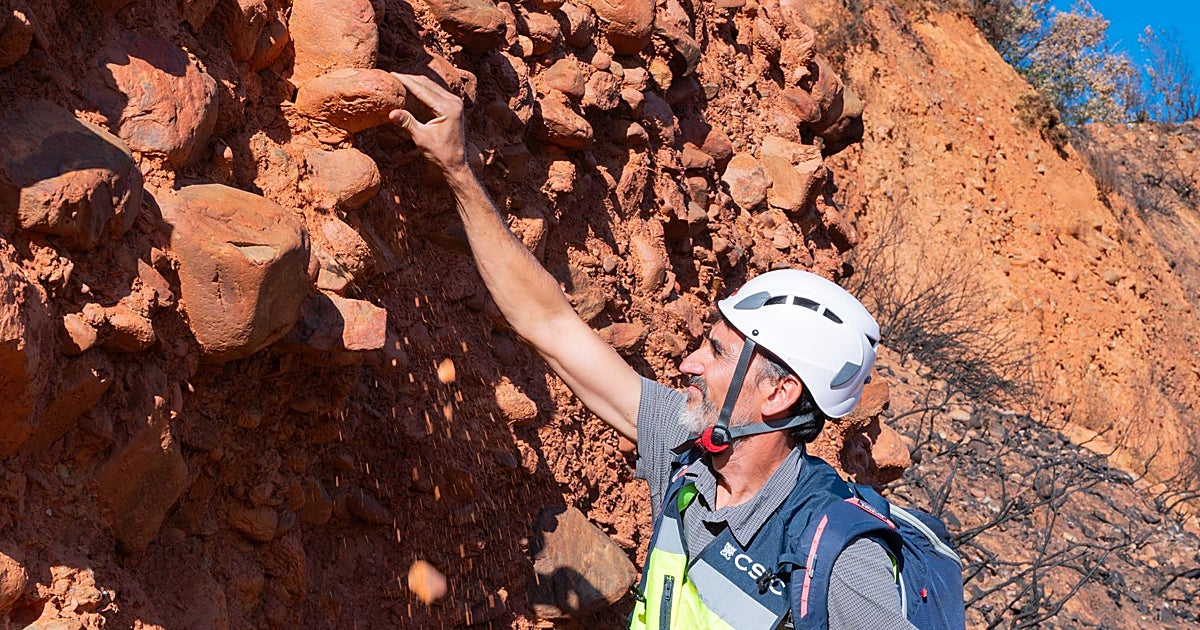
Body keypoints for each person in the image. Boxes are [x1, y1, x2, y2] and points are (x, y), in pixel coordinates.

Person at [387, 73, 916, 630]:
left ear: (779, 393)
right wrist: (456, 171)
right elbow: (549, 322)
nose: (688, 363)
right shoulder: (688, 450)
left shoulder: (837, 555)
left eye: (715, 353)